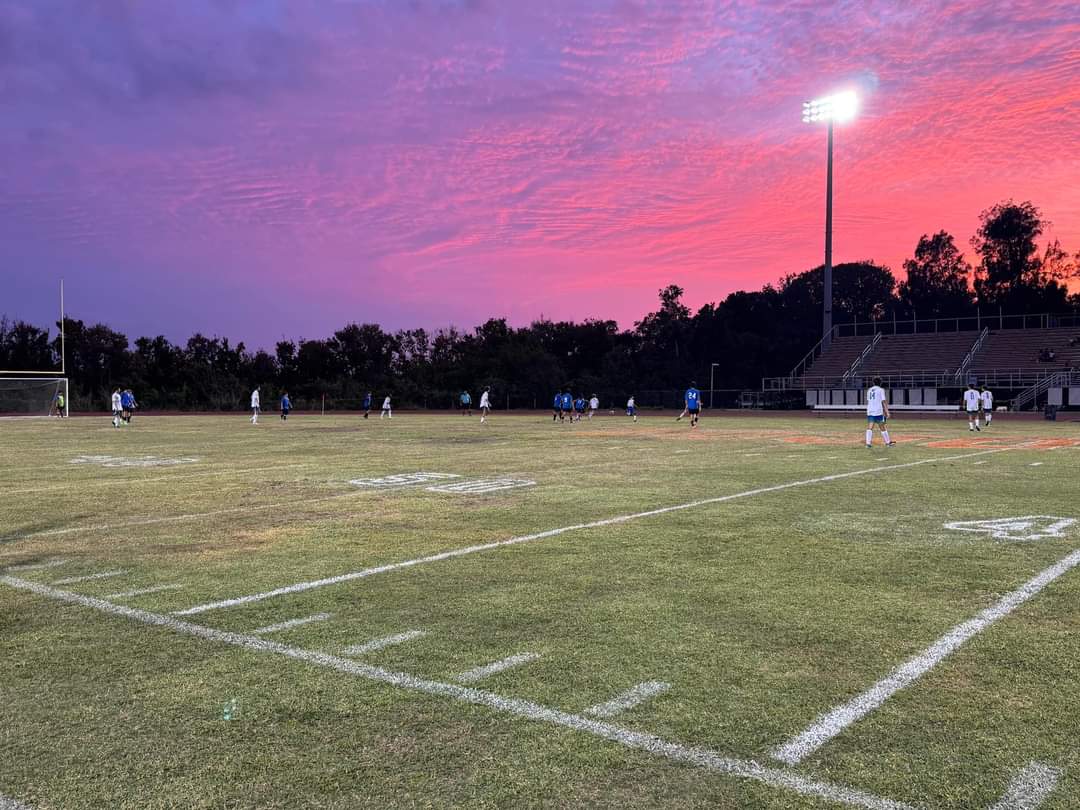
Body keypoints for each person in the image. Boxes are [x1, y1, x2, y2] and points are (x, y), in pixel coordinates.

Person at [865, 376, 894, 448]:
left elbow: (869, 400)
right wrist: (887, 412)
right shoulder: (881, 390)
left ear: (873, 382)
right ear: (880, 383)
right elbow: (884, 401)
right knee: (882, 426)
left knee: (870, 426)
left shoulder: (869, 390)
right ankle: (888, 443)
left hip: (870, 410)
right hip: (878, 410)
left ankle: (868, 443)